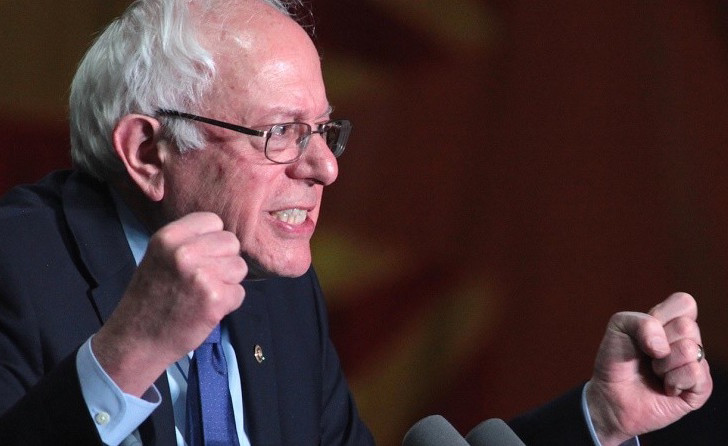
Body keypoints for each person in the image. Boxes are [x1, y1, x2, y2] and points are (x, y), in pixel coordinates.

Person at [0, 0, 712, 445]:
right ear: (148, 152)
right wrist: (127, 355)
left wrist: (598, 420)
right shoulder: (17, 265)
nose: (323, 168)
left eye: (323, 130)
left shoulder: (276, 288)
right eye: (280, 132)